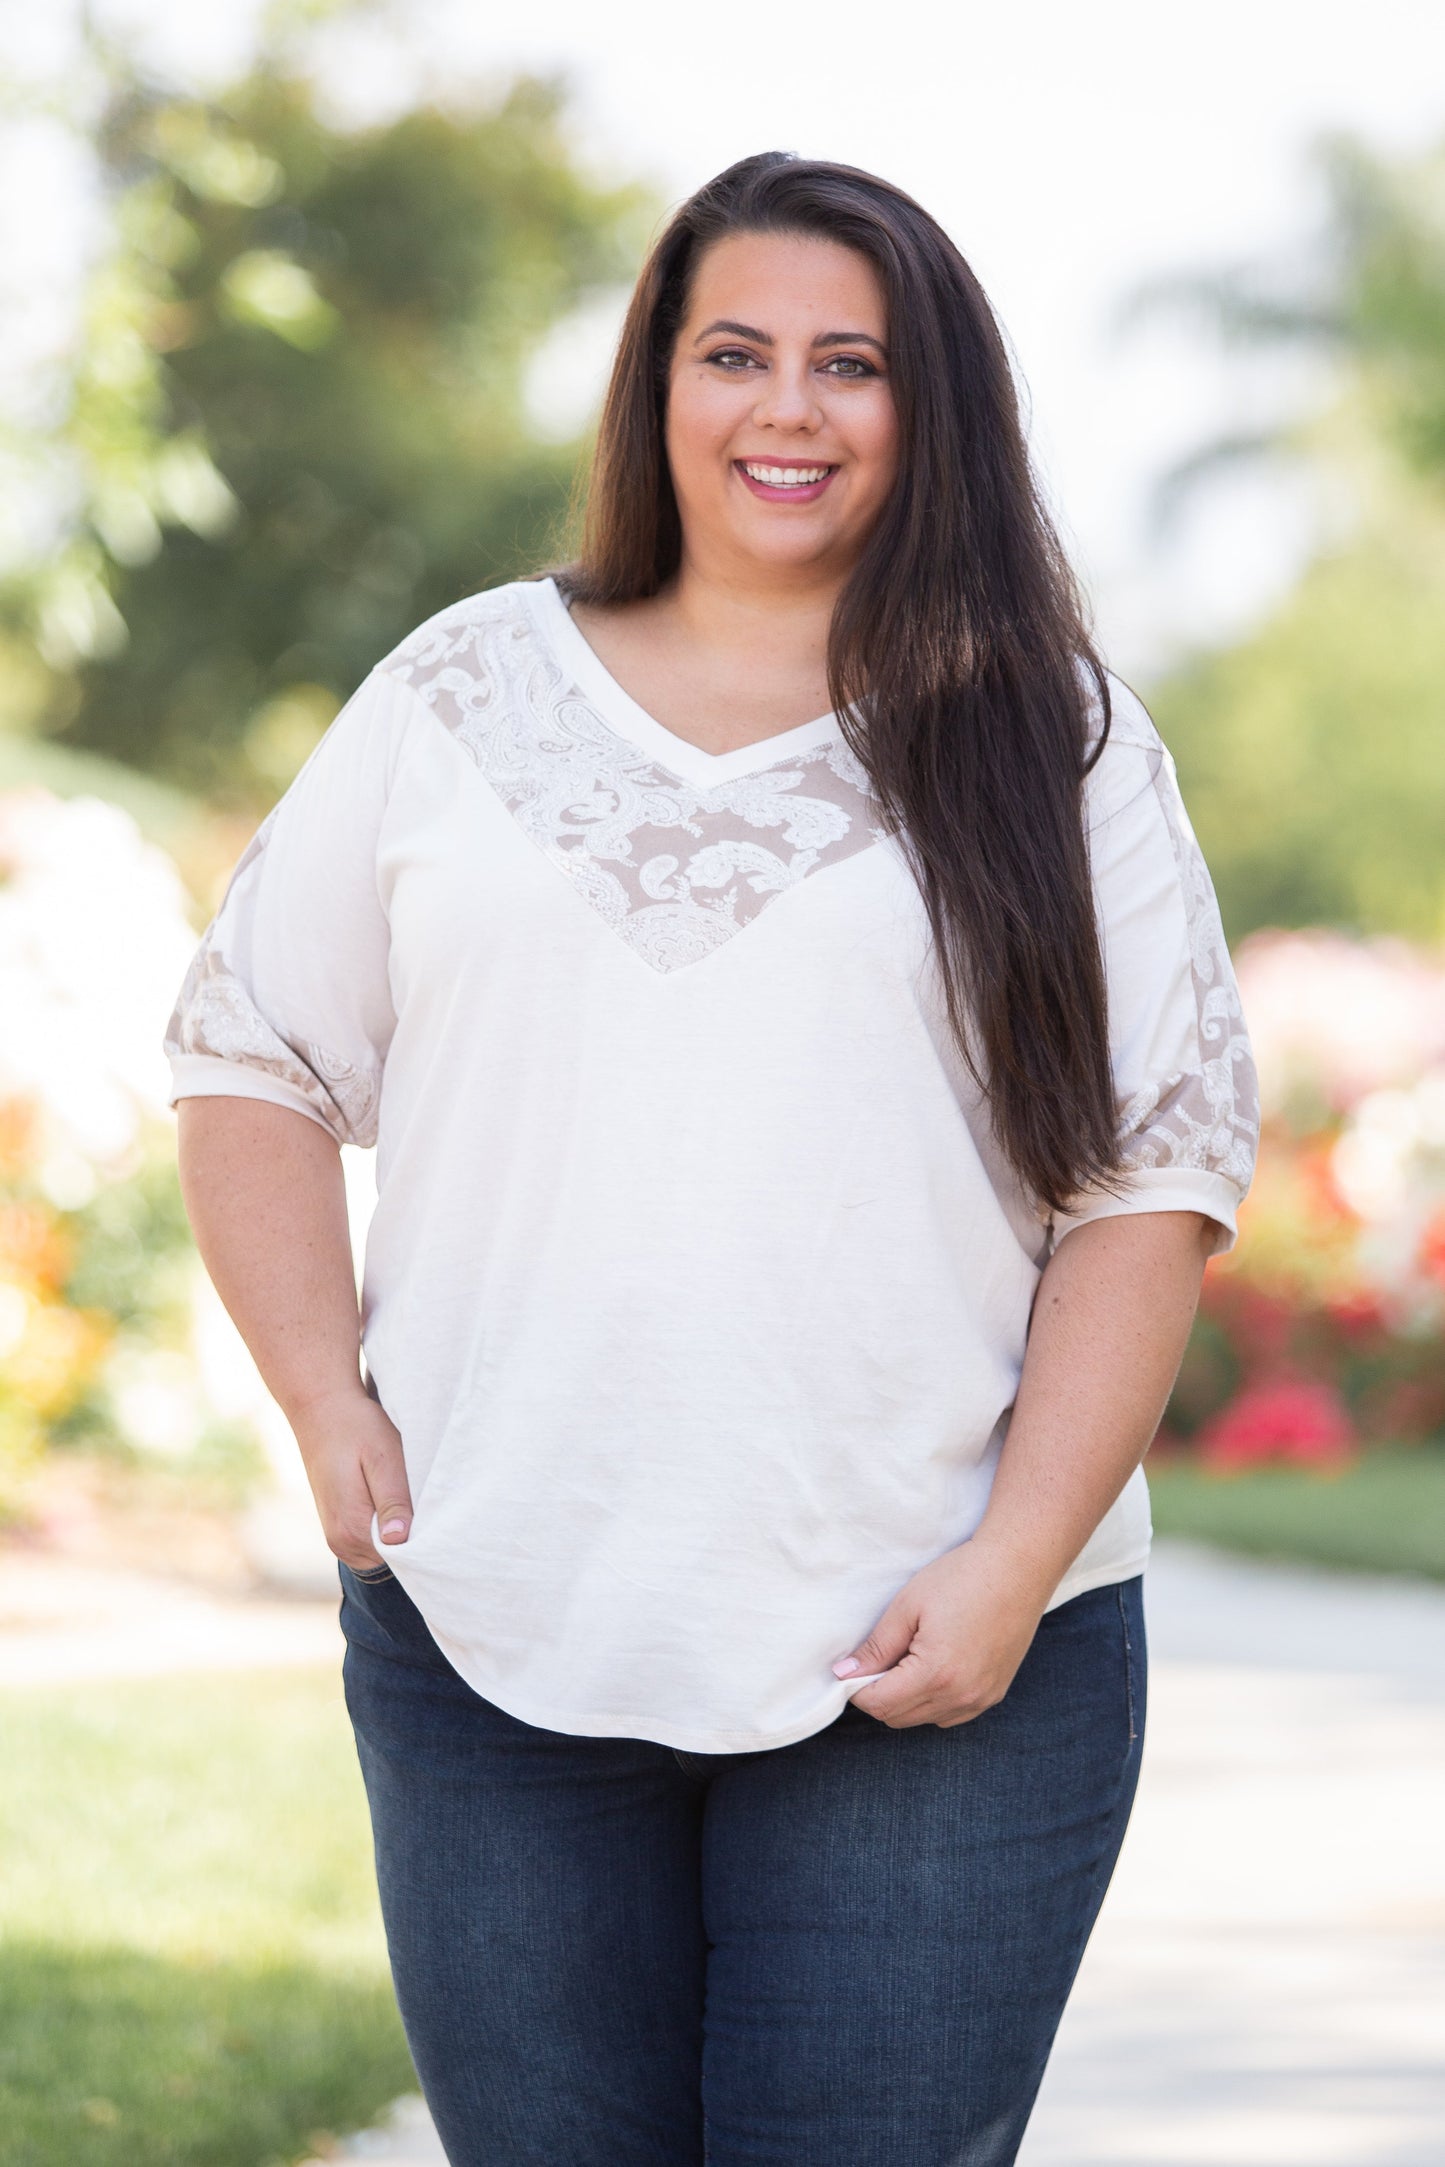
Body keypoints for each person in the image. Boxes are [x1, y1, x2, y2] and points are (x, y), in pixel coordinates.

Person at [165, 151, 1259, 2167]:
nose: (788, 408)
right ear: (654, 385)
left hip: (938, 1655)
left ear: (932, 412)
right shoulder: (463, 694)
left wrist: (1013, 1565)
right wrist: (324, 1404)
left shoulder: (1055, 738)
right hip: (493, 1619)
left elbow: (1149, 1181)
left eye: (853, 364)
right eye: (735, 350)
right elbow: (251, 1055)